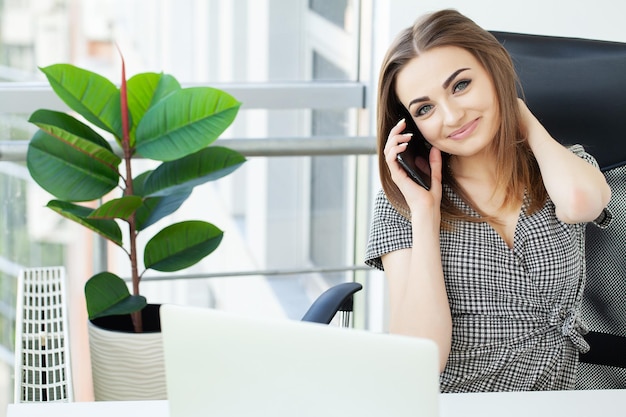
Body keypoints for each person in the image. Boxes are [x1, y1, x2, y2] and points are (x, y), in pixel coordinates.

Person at [365, 9, 612, 393]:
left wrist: (522, 117)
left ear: (494, 72)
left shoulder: (561, 168)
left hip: (560, 397)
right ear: (413, 126)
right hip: (462, 402)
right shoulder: (402, 204)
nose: (452, 116)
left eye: (461, 85)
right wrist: (425, 215)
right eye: (425, 109)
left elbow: (581, 203)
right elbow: (421, 355)